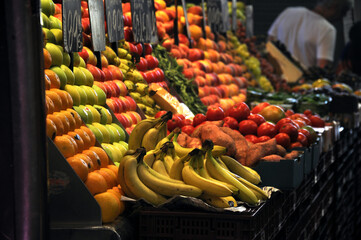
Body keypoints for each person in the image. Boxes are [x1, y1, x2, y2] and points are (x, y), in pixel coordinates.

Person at [268, 0, 351, 69]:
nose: (340, 18)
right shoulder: (327, 29)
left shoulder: (289, 12)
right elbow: (322, 67)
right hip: (302, 84)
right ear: (334, 8)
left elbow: (269, 42)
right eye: (342, 13)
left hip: (275, 77)